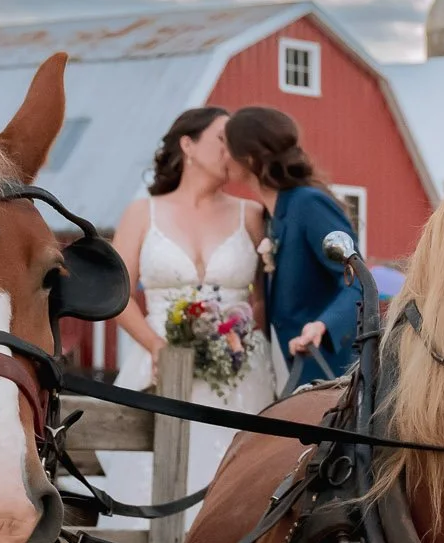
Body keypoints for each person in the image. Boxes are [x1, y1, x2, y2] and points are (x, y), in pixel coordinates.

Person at [105, 106, 277, 519]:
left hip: (239, 372)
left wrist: (238, 332)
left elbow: (265, 298)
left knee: (240, 488)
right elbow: (115, 294)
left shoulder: (251, 214)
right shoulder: (141, 213)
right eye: (222, 138)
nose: (231, 148)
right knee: (157, 484)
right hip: (159, 369)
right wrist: (158, 347)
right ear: (188, 144)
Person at [223, 105, 363, 387]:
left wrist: (323, 324)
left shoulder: (308, 204)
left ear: (249, 159)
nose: (223, 156)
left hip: (333, 373)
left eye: (227, 147)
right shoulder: (271, 216)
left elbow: (358, 281)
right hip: (289, 373)